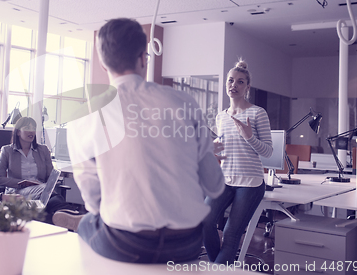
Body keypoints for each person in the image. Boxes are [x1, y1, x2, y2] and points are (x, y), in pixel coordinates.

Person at [66, 18, 225, 264]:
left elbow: (92, 197)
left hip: (127, 244)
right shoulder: (184, 102)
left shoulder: (85, 115)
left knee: (89, 220)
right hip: (188, 243)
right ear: (143, 57)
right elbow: (215, 186)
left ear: (102, 62)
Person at [203, 60, 273, 265]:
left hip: (250, 183)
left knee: (230, 234)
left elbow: (268, 152)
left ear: (247, 87)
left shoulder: (258, 113)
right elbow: (225, 147)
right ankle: (221, 268)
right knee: (204, 222)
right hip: (225, 179)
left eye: (240, 82)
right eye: (230, 80)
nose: (234, 85)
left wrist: (249, 136)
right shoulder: (221, 117)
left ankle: (218, 269)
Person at [0, 117, 81, 224]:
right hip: (18, 192)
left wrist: (53, 180)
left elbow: (50, 177)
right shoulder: (7, 150)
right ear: (18, 132)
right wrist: (21, 183)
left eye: (33, 128)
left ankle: (64, 215)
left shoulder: (43, 150)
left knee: (46, 191)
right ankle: (71, 213)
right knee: (44, 189)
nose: (31, 131)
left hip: (42, 191)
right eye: (27, 128)